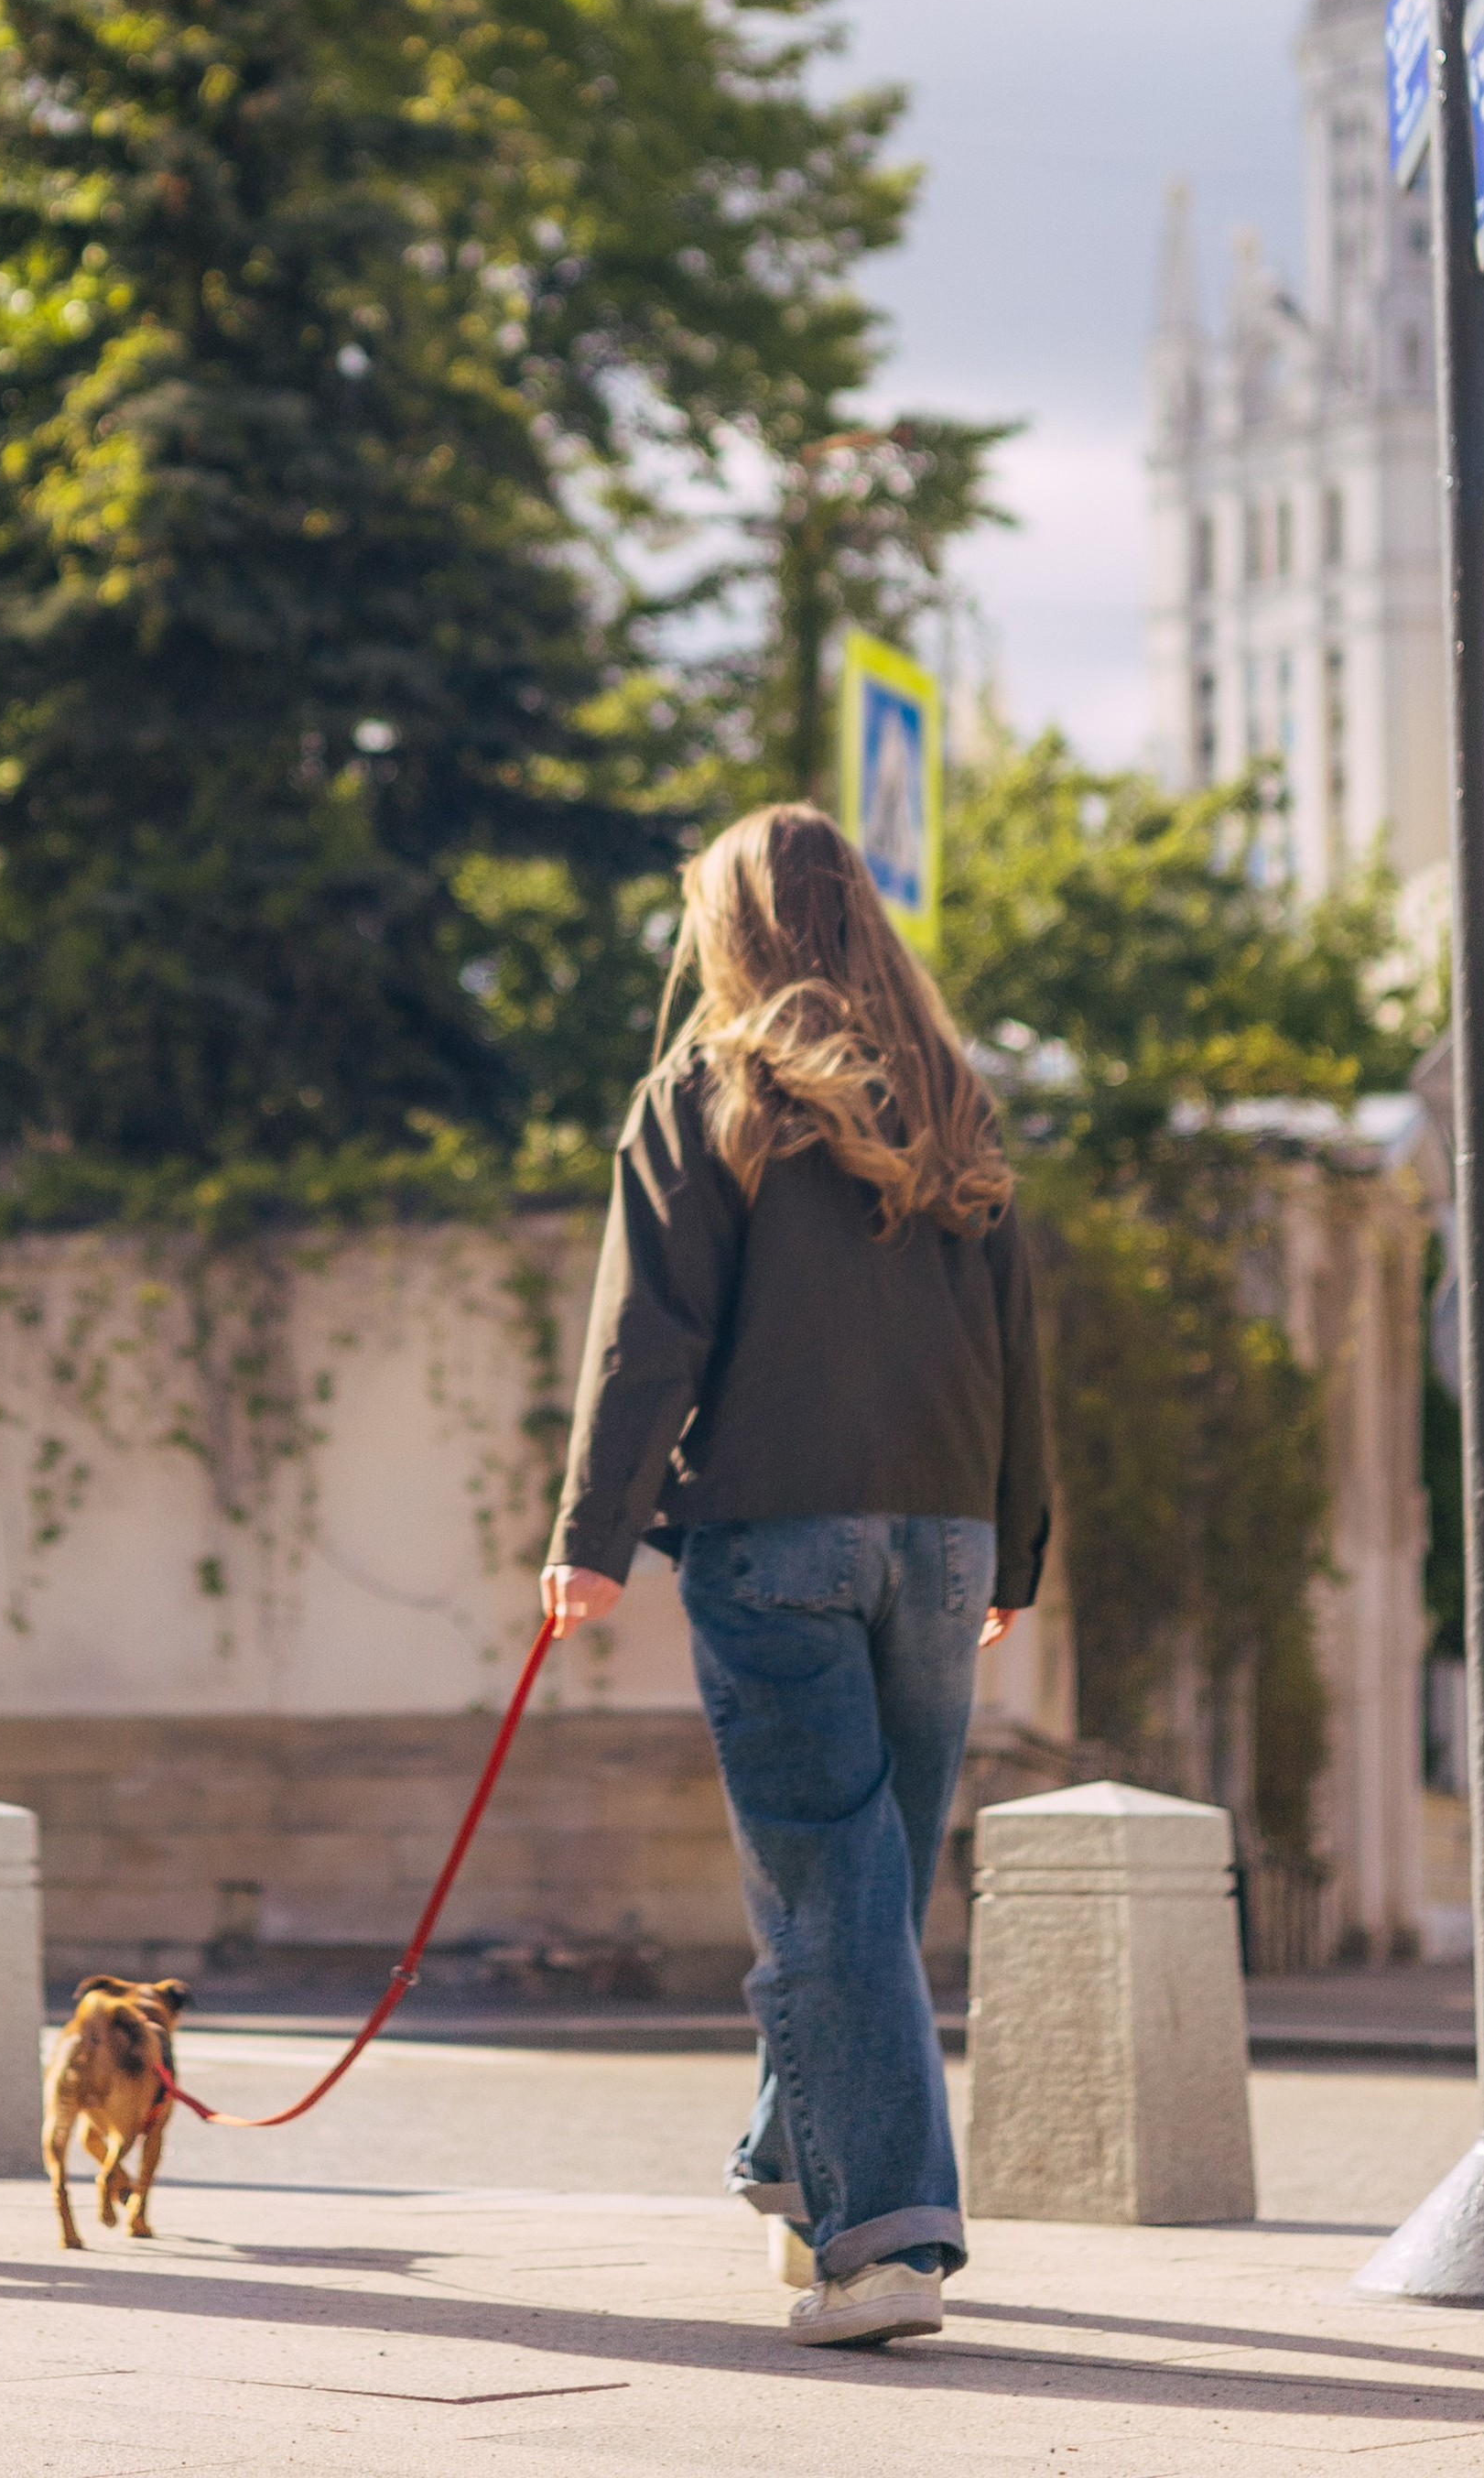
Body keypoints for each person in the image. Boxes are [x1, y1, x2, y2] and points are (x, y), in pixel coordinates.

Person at [541, 801, 1049, 2350]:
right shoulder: (955, 1095)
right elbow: (1021, 1344)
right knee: (867, 1887)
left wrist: (590, 1537)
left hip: (779, 1540)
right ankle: (792, 2173)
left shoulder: (708, 1090)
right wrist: (1013, 1544)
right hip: (946, 1540)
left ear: (733, 925)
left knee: (832, 1892)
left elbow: (649, 1336)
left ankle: (886, 2247)